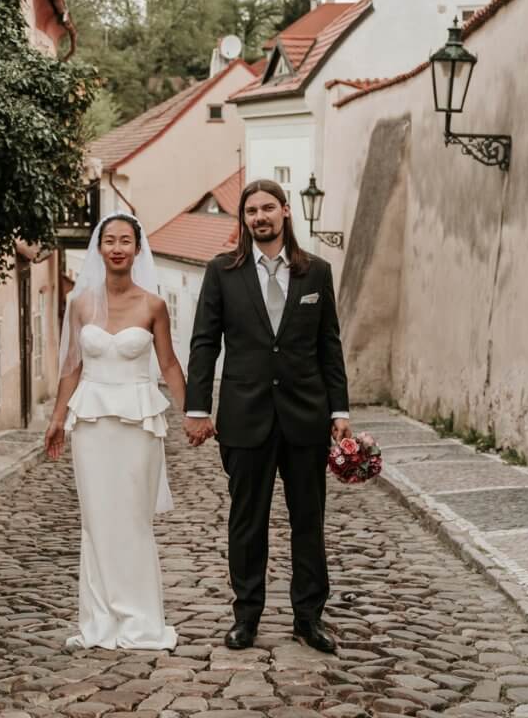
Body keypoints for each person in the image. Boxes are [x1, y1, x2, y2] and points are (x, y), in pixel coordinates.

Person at [183, 179, 351, 653]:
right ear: (244, 219)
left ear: (286, 212)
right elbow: (204, 341)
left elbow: (329, 345)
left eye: (267, 209)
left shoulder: (316, 272)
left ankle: (309, 618)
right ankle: (247, 616)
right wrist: (198, 407)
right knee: (247, 521)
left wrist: (339, 409)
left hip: (305, 416)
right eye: (251, 210)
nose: (259, 217)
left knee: (308, 520)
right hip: (244, 417)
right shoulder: (223, 272)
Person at [45, 211, 185, 651]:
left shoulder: (153, 305)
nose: (118, 248)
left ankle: (141, 618)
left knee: (132, 517)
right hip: (90, 422)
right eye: (110, 240)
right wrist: (56, 419)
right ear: (99, 248)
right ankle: (99, 619)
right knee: (96, 519)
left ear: (137, 249)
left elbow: (168, 364)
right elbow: (72, 365)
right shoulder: (80, 303)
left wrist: (195, 414)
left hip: (137, 423)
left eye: (126, 240)